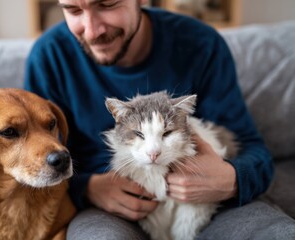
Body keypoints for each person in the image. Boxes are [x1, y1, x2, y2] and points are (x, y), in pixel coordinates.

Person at [24, 1, 295, 239]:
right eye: (73, 9)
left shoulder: (201, 43)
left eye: (107, 5)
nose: (93, 30)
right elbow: (34, 166)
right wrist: (87, 188)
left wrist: (233, 179)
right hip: (108, 209)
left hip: (210, 201)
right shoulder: (50, 56)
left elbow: (254, 149)